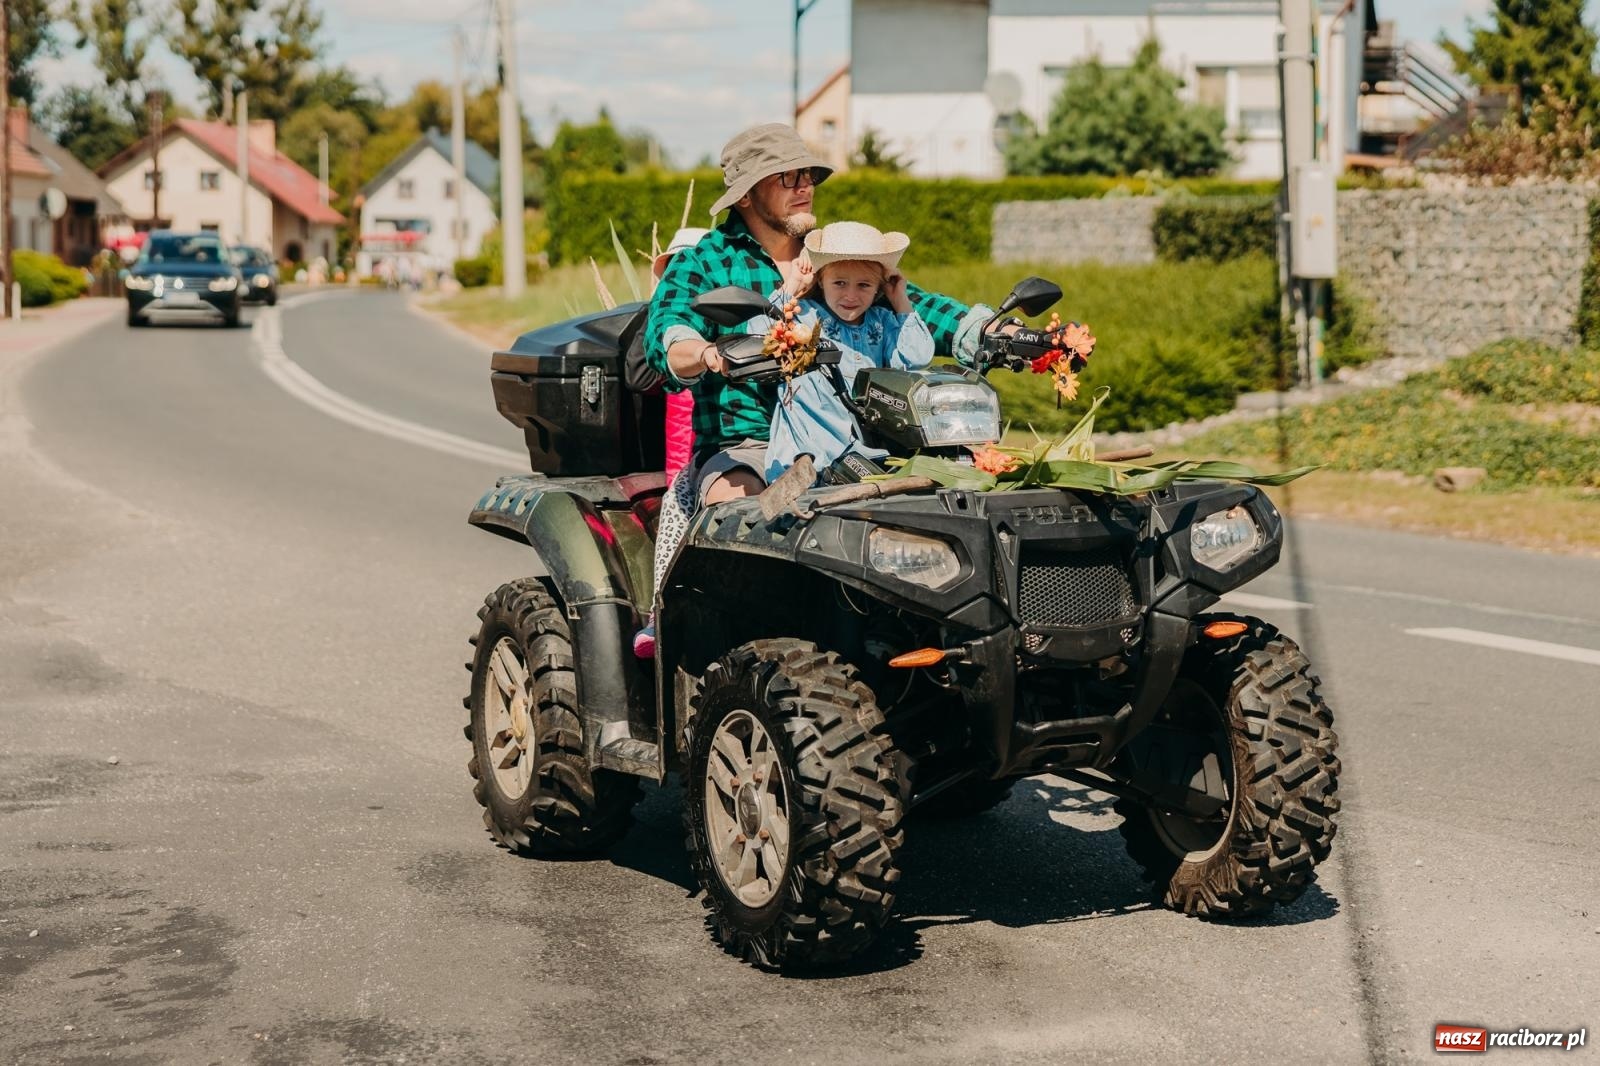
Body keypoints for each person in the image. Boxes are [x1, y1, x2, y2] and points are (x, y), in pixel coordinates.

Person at [643, 122, 1002, 509]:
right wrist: (707, 354)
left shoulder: (831, 253)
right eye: (788, 177)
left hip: (850, 441)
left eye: (809, 176)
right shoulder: (705, 262)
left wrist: (993, 330)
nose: (805, 187)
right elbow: (668, 334)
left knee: (952, 499)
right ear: (745, 195)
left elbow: (915, 304)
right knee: (739, 512)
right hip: (752, 446)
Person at [763, 221, 932, 484]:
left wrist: (900, 299)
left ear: (879, 288)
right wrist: (793, 285)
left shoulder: (882, 321)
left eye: (864, 285)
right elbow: (761, 331)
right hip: (808, 453)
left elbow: (918, 357)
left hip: (866, 452)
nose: (850, 295)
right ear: (821, 279)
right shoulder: (805, 316)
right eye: (839, 283)